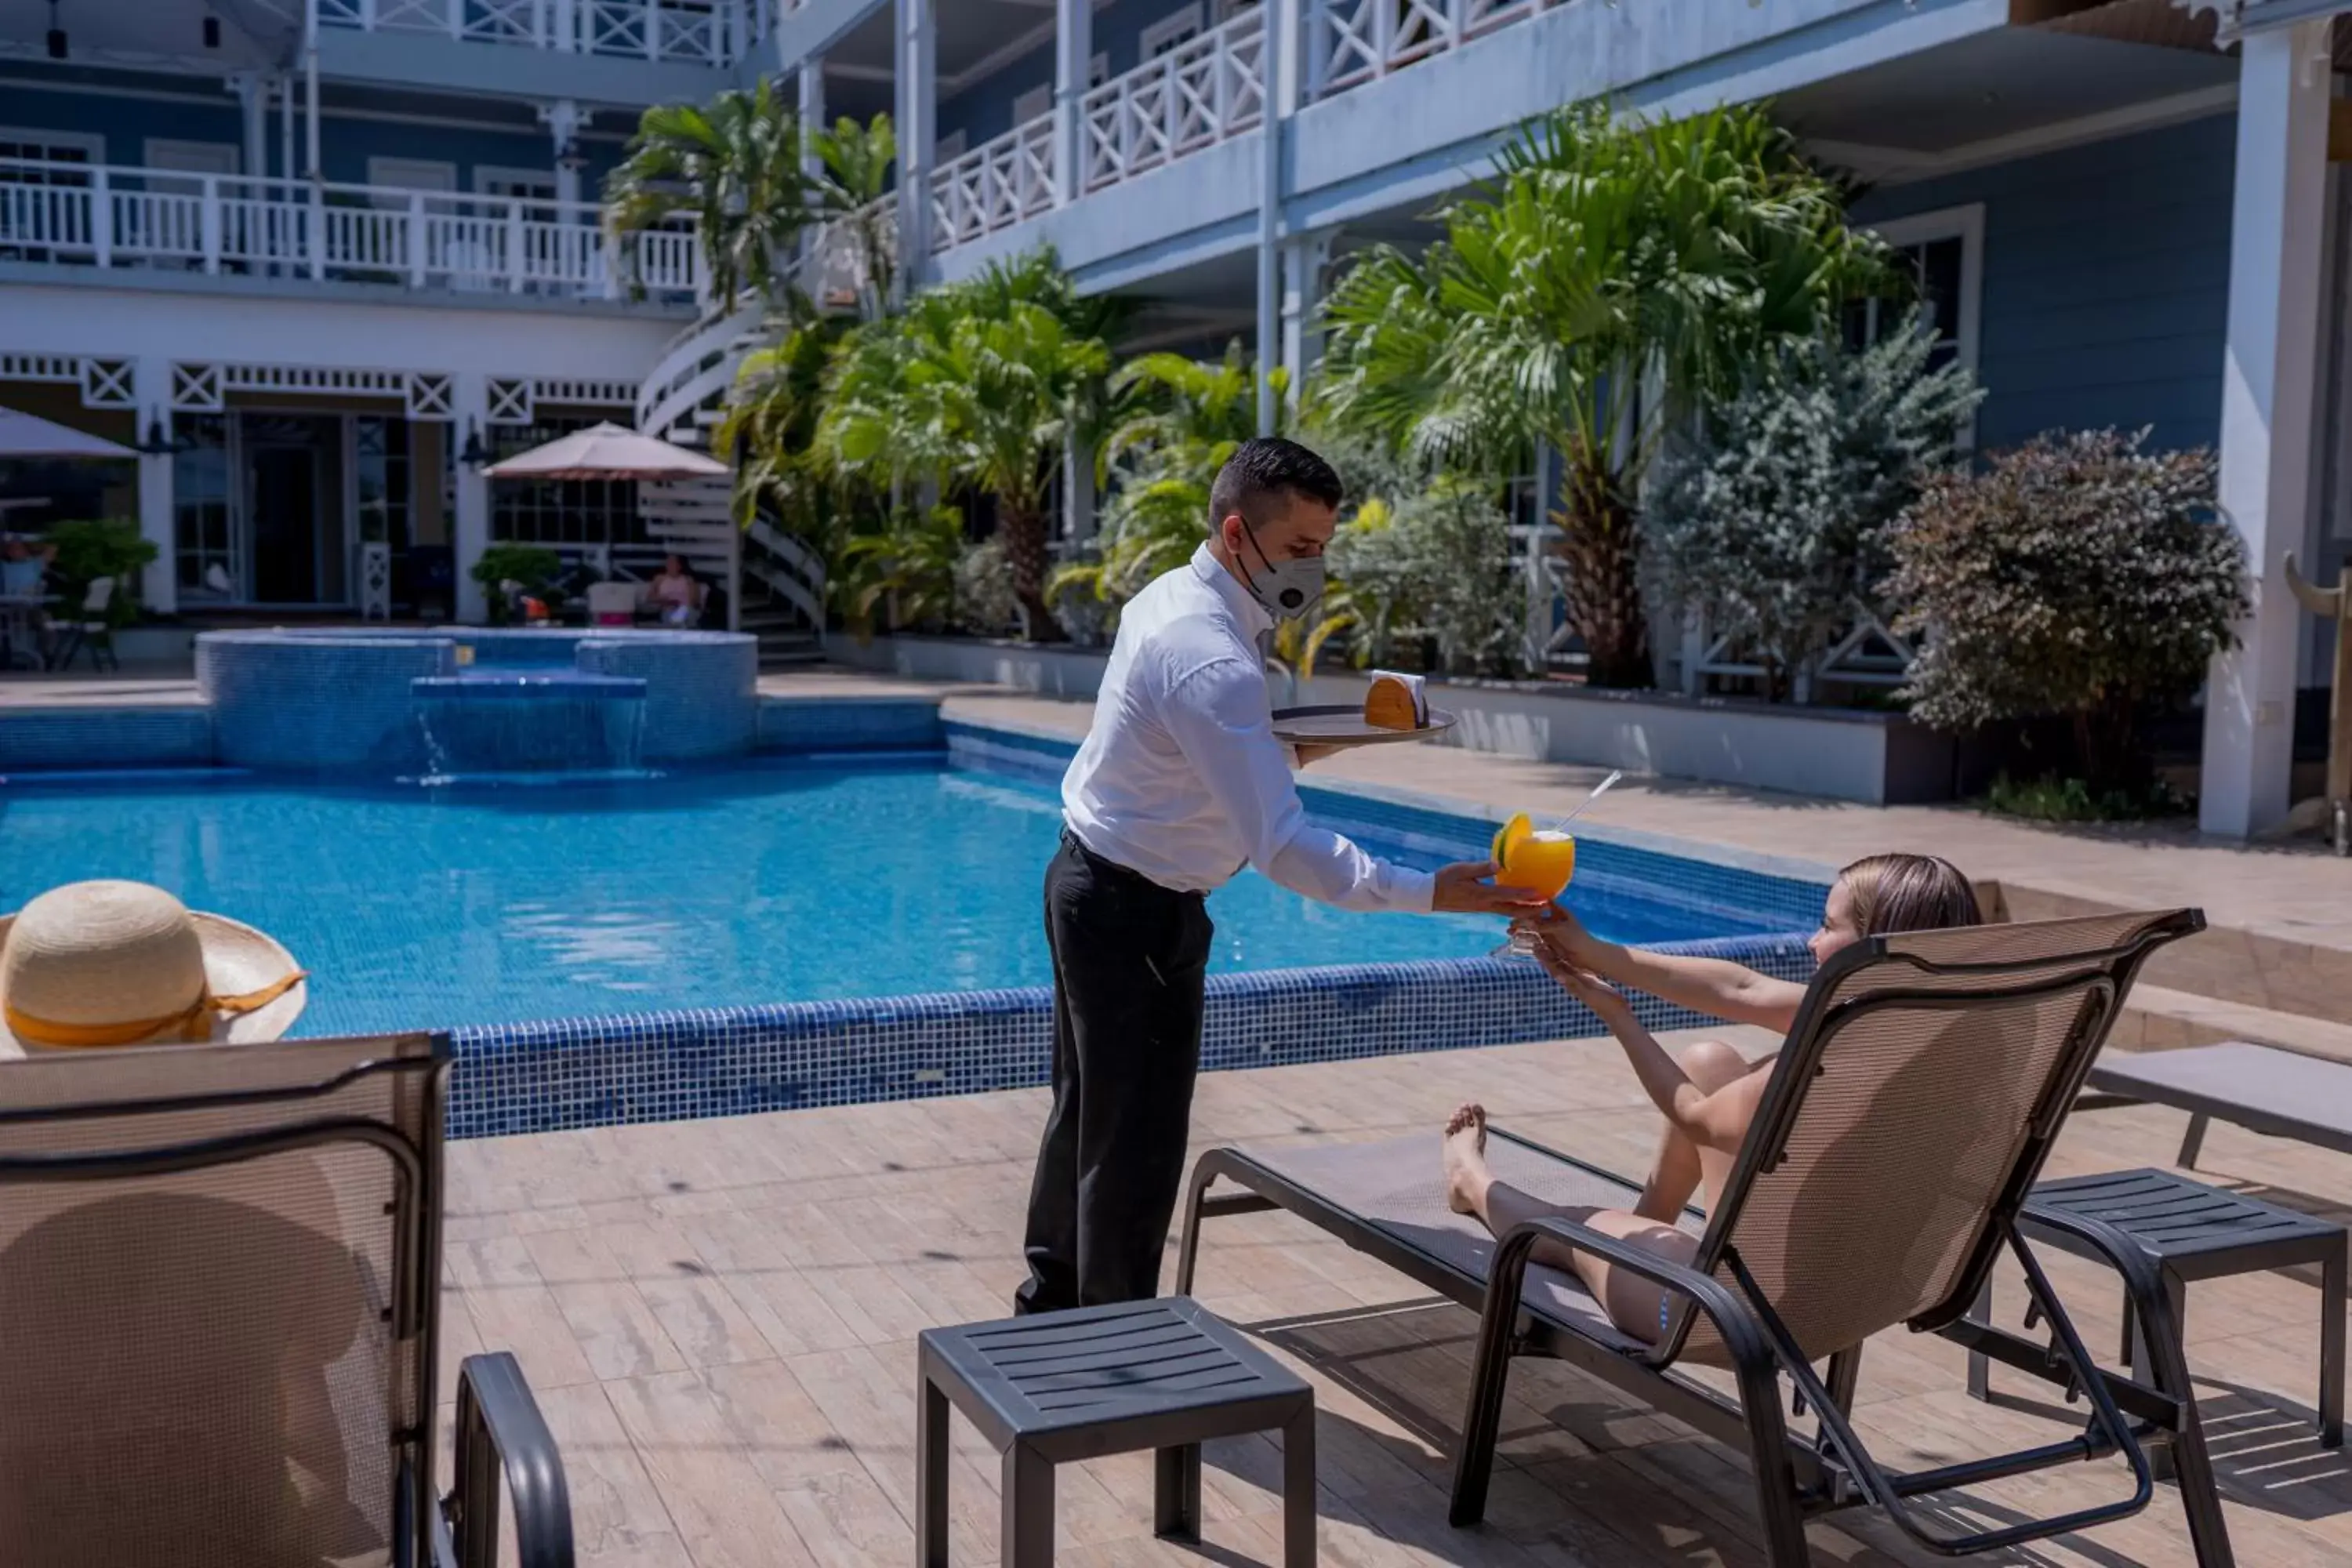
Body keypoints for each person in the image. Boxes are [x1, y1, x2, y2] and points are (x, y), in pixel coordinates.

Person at [1021, 437, 1548, 1315]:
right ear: (1238, 532)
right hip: (1133, 909)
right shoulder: (1212, 655)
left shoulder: (1178, 595)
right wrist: (1431, 889)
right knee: (1137, 1143)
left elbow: (1207, 756)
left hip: (1091, 877)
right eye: (1302, 548)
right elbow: (1282, 844)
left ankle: (1050, 1303)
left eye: (1323, 545)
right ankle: (1114, 1339)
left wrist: (1345, 734)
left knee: (1087, 1114)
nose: (1318, 566)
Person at [1440, 853, 1981, 1343]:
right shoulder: (1945, 1040)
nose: (1812, 942)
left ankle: (1470, 1180)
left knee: (1569, 1228)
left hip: (1722, 1315)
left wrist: (1616, 1013)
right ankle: (1642, 1232)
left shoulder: (1816, 1069)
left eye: (1827, 926)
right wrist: (1597, 952)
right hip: (1860, 1298)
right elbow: (1742, 989)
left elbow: (1694, 1116)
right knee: (1709, 1063)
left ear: (1873, 950)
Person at [0, 881, 376, 1566]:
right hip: (247, 1537)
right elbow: (330, 1336)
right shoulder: (278, 1170)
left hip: (32, 1546)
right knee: (298, 1368)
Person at [644, 553, 703, 626]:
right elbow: (649, 598)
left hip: (685, 609)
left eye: (672, 563)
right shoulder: (659, 579)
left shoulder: (688, 580)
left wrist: (680, 605)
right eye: (668, 562)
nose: (669, 565)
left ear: (679, 566)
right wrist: (664, 600)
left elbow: (693, 601)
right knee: (672, 616)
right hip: (667, 609)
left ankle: (680, 623)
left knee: (686, 612)